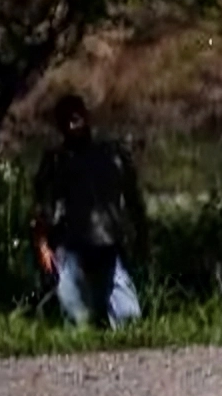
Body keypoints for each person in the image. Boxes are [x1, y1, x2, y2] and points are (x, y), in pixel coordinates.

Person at [30, 95, 148, 329]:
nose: (74, 121)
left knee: (129, 318)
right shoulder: (56, 161)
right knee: (78, 319)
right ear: (60, 125)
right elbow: (42, 206)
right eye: (67, 117)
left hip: (107, 244)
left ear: (87, 117)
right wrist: (42, 244)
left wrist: (141, 233)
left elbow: (132, 197)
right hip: (70, 246)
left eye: (77, 115)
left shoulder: (111, 155)